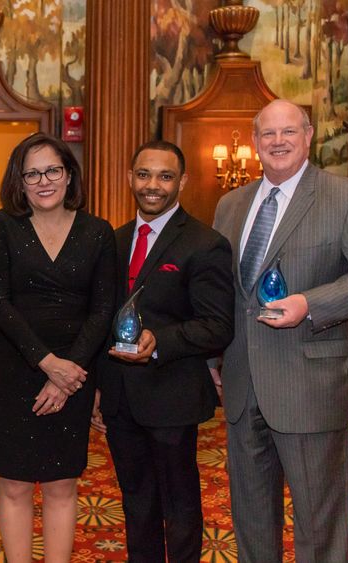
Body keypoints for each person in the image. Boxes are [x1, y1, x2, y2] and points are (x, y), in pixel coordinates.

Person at [213, 99, 348, 562]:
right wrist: (213, 358)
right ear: (254, 143)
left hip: (308, 387)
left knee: (319, 524)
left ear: (308, 136)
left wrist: (311, 303)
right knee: (250, 517)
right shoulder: (230, 205)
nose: (278, 142)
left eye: (289, 131)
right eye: (268, 134)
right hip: (242, 382)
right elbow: (222, 291)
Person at [91, 140, 234, 562]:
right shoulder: (112, 241)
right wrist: (99, 388)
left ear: (182, 181)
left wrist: (161, 342)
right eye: (144, 174)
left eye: (165, 176)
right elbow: (102, 321)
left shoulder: (205, 243)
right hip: (119, 398)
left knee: (180, 505)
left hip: (172, 395)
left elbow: (218, 325)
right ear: (129, 178)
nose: (153, 185)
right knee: (136, 502)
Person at [0, 132, 116, 562]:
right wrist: (47, 362)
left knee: (62, 483)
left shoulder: (98, 232)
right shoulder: (1, 226)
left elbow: (103, 309)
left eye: (52, 170)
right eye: (31, 173)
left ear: (69, 174)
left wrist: (68, 371)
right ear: (18, 182)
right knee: (14, 483)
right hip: (13, 368)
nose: (43, 181)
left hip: (74, 372)